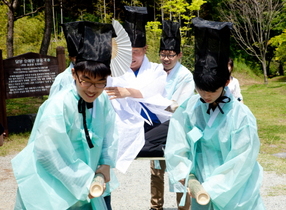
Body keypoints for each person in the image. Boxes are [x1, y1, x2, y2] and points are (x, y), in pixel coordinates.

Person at [11, 21, 118, 210]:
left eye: (100, 83)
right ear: (74, 73)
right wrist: (83, 180)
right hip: (54, 189)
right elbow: (48, 152)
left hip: (88, 186)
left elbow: (109, 136)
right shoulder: (59, 105)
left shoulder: (103, 101)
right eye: (86, 81)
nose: (92, 89)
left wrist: (106, 163)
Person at [165, 17, 265, 210]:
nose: (206, 96)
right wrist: (185, 175)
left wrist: (210, 188)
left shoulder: (241, 116)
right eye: (201, 90)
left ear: (226, 83)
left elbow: (241, 161)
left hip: (236, 192)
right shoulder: (190, 107)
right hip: (200, 187)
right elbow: (177, 144)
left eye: (212, 91)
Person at [105, 6, 172, 173]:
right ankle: (150, 147)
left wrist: (128, 92)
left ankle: (145, 146)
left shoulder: (156, 70)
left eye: (136, 52)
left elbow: (153, 92)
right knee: (130, 140)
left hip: (154, 124)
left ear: (145, 49)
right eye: (127, 52)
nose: (131, 57)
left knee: (178, 123)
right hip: (126, 124)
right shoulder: (113, 70)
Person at [136, 20, 194, 210]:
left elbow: (180, 106)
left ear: (179, 55)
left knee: (179, 168)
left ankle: (183, 206)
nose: (166, 59)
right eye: (163, 54)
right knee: (156, 169)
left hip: (175, 125)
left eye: (170, 55)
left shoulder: (185, 75)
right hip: (153, 123)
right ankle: (156, 206)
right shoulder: (154, 71)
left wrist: (158, 106)